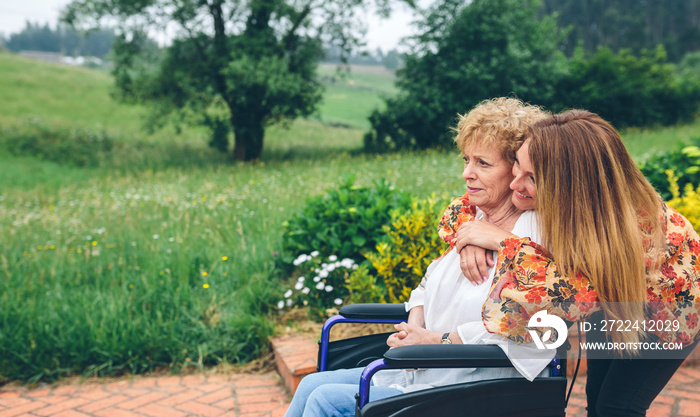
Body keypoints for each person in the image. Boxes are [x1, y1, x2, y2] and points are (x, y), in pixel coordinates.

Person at [284, 98, 553, 417]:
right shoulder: (474, 221)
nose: (467, 173)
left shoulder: (533, 239)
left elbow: (529, 331)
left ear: (518, 169)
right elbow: (426, 285)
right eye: (466, 159)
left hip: (476, 389)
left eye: (483, 163)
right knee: (310, 386)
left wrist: (432, 341)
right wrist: (413, 331)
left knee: (326, 400)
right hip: (422, 371)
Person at [453, 110, 700, 417]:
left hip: (666, 313)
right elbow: (465, 205)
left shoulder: (625, 231)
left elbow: (563, 298)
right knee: (595, 398)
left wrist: (502, 241)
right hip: (613, 300)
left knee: (617, 406)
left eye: (531, 178)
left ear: (571, 183)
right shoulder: (574, 197)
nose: (515, 184)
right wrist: (469, 237)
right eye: (517, 163)